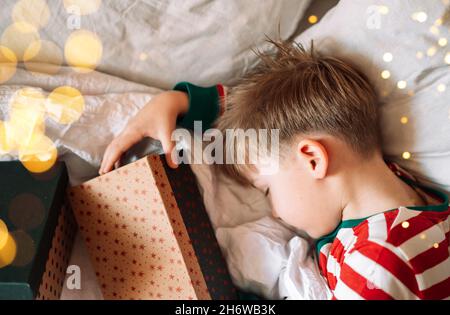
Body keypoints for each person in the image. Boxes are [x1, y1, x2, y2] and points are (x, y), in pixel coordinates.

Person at [100, 41, 450, 300]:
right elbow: (284, 116)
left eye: (268, 189)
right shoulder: (406, 191)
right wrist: (180, 103)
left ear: (313, 159)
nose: (274, 211)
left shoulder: (375, 265)